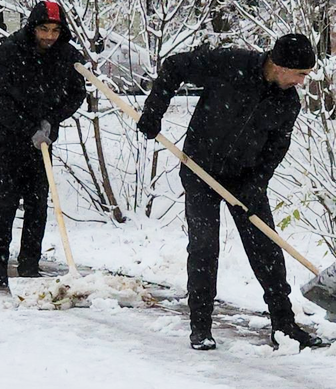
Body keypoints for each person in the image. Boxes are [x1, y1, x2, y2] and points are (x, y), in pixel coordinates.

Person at [136, 34, 326, 351]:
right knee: (204, 247)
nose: (302, 82)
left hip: (244, 178)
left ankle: (284, 327)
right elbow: (175, 67)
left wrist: (256, 183)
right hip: (200, 168)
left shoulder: (287, 102)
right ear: (280, 65)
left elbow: (275, 151)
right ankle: (201, 328)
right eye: (301, 74)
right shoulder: (230, 64)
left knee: (266, 249)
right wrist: (155, 111)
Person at [0, 0, 86, 286]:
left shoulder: (65, 54)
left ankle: (29, 265)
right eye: (44, 29)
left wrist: (52, 119)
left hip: (42, 140)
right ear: (33, 27)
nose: (49, 36)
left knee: (38, 203)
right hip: (5, 138)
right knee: (6, 201)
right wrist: (28, 128)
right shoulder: (8, 52)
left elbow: (77, 93)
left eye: (55, 30)